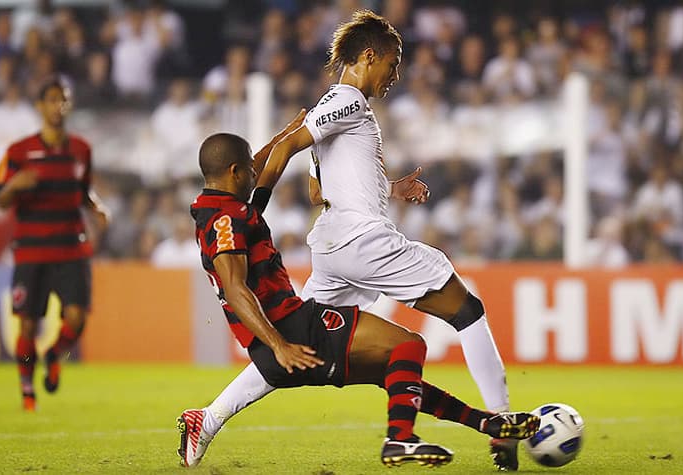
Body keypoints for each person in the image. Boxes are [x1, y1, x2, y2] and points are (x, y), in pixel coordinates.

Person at [204, 10, 522, 471]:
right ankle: (503, 426)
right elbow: (285, 147)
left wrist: (390, 189)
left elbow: (319, 192)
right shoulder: (347, 101)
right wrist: (254, 214)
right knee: (466, 310)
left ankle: (208, 421)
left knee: (300, 345)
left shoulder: (334, 112)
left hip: (333, 250)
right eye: (392, 64)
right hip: (362, 243)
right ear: (368, 56)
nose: (395, 75)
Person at [177, 124, 540, 468]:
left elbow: (265, 169)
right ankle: (400, 438)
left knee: (395, 372)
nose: (258, 174)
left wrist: (289, 133)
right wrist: (277, 345)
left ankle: (488, 426)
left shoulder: (231, 208)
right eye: (249, 171)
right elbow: (235, 289)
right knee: (408, 347)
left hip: (289, 330)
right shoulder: (225, 221)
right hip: (292, 331)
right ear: (235, 172)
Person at [0, 76, 109, 411]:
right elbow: (0, 201)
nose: (58, 105)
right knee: (28, 323)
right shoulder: (18, 152)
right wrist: (16, 185)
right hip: (31, 250)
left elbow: (83, 191)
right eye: (52, 99)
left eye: (64, 99)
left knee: (76, 318)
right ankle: (27, 388)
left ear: (68, 106)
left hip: (72, 247)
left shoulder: (81, 150)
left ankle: (55, 353)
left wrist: (97, 207)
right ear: (40, 106)